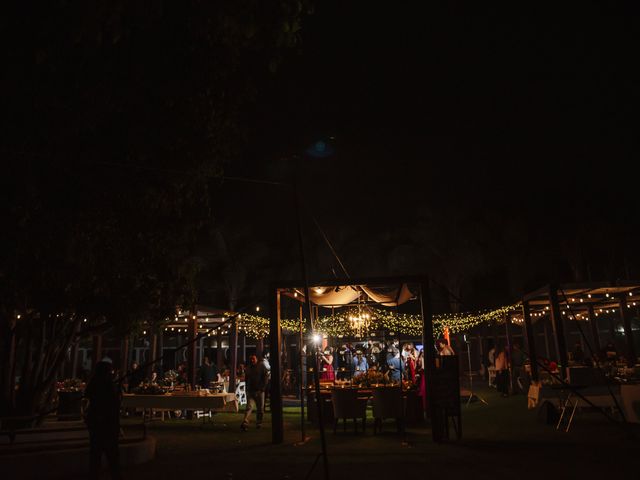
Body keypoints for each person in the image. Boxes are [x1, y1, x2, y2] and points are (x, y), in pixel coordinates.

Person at [84, 360, 122, 479]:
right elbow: (114, 403)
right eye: (110, 370)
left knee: (96, 451)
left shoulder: (94, 382)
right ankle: (113, 475)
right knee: (111, 453)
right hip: (106, 422)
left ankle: (94, 474)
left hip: (97, 421)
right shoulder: (107, 384)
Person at [241, 354, 269, 431]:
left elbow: (266, 377)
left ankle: (259, 423)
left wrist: (262, 388)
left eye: (253, 359)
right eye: (251, 359)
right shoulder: (248, 368)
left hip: (259, 391)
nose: (252, 360)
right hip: (251, 391)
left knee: (260, 409)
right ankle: (245, 423)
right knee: (249, 407)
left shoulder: (261, 366)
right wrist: (247, 389)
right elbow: (246, 379)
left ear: (256, 359)